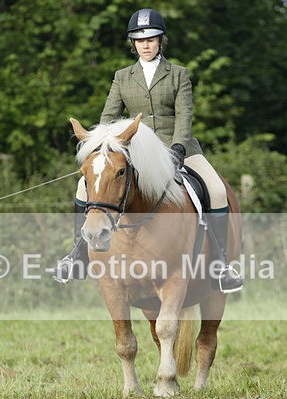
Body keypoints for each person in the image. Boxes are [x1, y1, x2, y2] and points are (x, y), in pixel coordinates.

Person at [52, 8, 243, 293]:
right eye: (140, 40)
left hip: (179, 148)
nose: (146, 44)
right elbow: (108, 119)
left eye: (151, 39)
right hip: (134, 151)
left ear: (160, 41)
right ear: (133, 44)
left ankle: (220, 266)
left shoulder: (179, 74)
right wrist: (102, 148)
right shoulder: (122, 77)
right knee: (84, 187)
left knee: (215, 189)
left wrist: (178, 146)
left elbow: (185, 116)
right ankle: (77, 255)